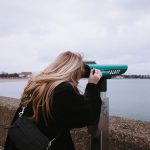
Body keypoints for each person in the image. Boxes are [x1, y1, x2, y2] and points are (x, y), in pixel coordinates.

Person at [4, 51, 102, 150]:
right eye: (79, 70)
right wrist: (92, 85)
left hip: (18, 143)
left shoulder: (38, 85)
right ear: (74, 70)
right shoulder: (64, 91)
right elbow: (90, 116)